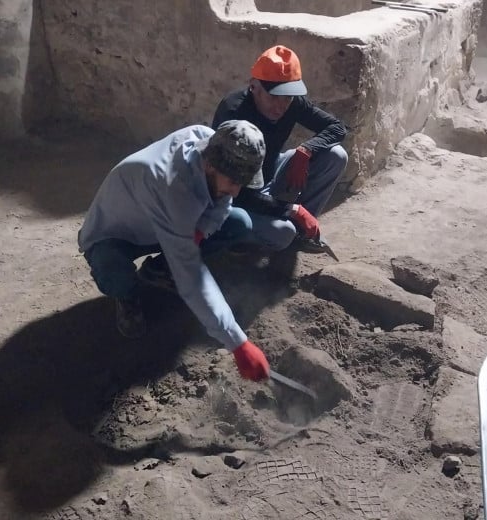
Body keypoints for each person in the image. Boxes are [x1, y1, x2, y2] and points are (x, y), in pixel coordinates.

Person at [77, 120, 270, 382]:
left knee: (238, 223)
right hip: (115, 235)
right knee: (111, 269)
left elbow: (222, 203)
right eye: (234, 181)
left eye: (242, 182)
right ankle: (128, 297)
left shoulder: (210, 142)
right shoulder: (172, 186)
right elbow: (191, 277)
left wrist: (201, 230)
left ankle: (159, 268)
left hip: (162, 226)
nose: (236, 189)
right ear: (211, 165)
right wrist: (238, 343)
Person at [209, 44, 348, 253]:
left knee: (336, 155)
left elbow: (337, 128)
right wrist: (291, 209)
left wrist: (307, 150)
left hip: (269, 174)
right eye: (273, 97)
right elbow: (235, 190)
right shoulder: (234, 113)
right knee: (282, 234)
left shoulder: (292, 103)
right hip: (235, 195)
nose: (280, 106)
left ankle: (303, 233)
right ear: (254, 86)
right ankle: (235, 242)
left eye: (287, 97)